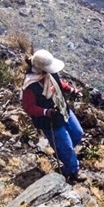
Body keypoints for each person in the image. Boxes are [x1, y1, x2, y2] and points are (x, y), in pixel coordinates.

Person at [20, 49, 85, 184]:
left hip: (62, 110)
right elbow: (28, 107)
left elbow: (58, 83)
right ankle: (71, 171)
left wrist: (72, 90)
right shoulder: (30, 86)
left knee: (77, 133)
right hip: (49, 120)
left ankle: (64, 154)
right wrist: (45, 111)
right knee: (66, 147)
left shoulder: (50, 74)